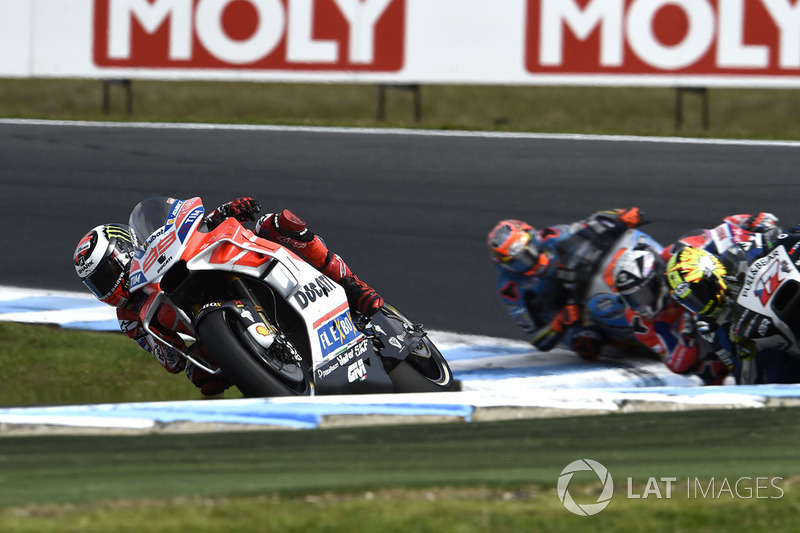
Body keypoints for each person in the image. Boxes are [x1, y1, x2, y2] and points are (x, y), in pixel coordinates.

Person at [73, 197, 383, 397]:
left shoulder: (153, 254)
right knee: (201, 377)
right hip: (209, 331)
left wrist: (227, 210)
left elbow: (192, 229)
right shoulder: (129, 317)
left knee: (277, 224)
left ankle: (354, 288)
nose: (106, 287)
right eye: (96, 284)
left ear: (125, 251)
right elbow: (171, 360)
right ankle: (269, 379)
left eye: (105, 274)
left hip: (222, 270)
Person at [487, 207, 645, 360]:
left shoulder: (552, 236)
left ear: (534, 238)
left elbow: (590, 224)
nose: (528, 263)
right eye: (517, 262)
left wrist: (620, 216)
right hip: (571, 314)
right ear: (504, 264)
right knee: (586, 345)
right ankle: (630, 339)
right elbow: (537, 339)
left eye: (529, 253)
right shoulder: (510, 290)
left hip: (590, 278)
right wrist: (560, 322)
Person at [611, 245, 729, 384]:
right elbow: (676, 364)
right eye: (633, 298)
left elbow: (712, 238)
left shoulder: (675, 255)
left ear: (656, 279)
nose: (641, 304)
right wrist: (686, 335)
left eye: (643, 294)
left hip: (718, 294)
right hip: (701, 331)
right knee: (707, 370)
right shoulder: (639, 322)